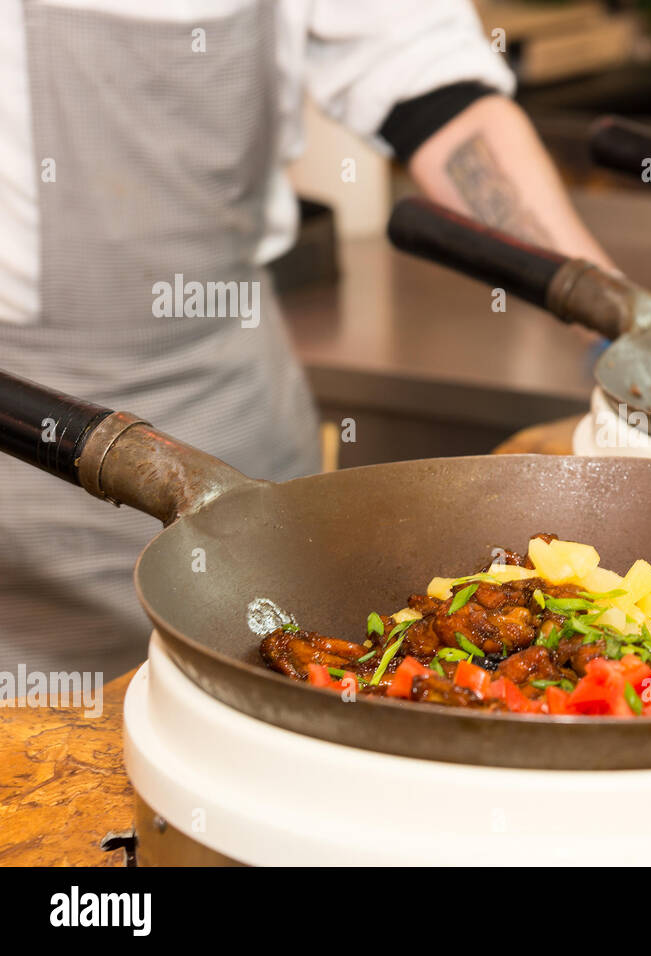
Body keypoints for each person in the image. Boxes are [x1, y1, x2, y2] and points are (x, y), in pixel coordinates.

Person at [0, 0, 613, 682]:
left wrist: (617, 331)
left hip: (239, 414)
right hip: (27, 446)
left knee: (290, 688)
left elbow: (437, 95)